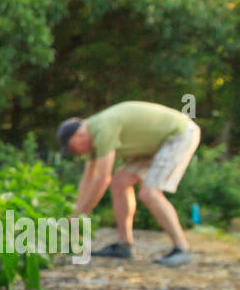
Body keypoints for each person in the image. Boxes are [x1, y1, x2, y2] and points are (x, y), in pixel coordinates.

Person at [57, 101, 200, 265]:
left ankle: (182, 249)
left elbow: (102, 179)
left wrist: (79, 215)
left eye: (73, 148)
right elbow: (88, 179)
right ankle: (124, 245)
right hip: (156, 144)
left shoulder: (102, 128)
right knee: (120, 182)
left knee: (150, 192)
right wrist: (75, 210)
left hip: (179, 134)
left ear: (78, 136)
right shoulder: (94, 134)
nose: (76, 153)